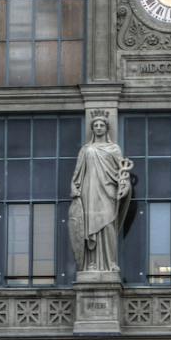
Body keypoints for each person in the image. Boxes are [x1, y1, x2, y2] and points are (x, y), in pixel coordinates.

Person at [68, 115, 132, 274]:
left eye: (101, 125)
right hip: (89, 192)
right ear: (92, 128)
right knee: (91, 228)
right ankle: (91, 263)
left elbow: (122, 172)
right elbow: (77, 174)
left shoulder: (114, 149)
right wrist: (75, 188)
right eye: (95, 125)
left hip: (109, 191)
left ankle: (110, 262)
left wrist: (124, 185)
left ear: (106, 128)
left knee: (109, 225)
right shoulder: (86, 149)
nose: (98, 127)